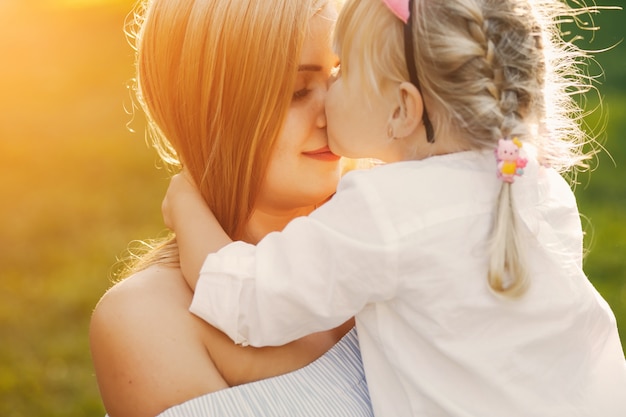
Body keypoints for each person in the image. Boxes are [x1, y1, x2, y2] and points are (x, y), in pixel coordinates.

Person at [163, 0, 626, 416]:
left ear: (402, 108)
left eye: (343, 70)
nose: (328, 97)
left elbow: (246, 301)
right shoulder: (532, 183)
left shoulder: (384, 211)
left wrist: (186, 201)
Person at [89, 0, 374, 416]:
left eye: (342, 76)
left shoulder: (408, 225)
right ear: (208, 111)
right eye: (297, 91)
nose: (334, 110)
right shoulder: (149, 320)